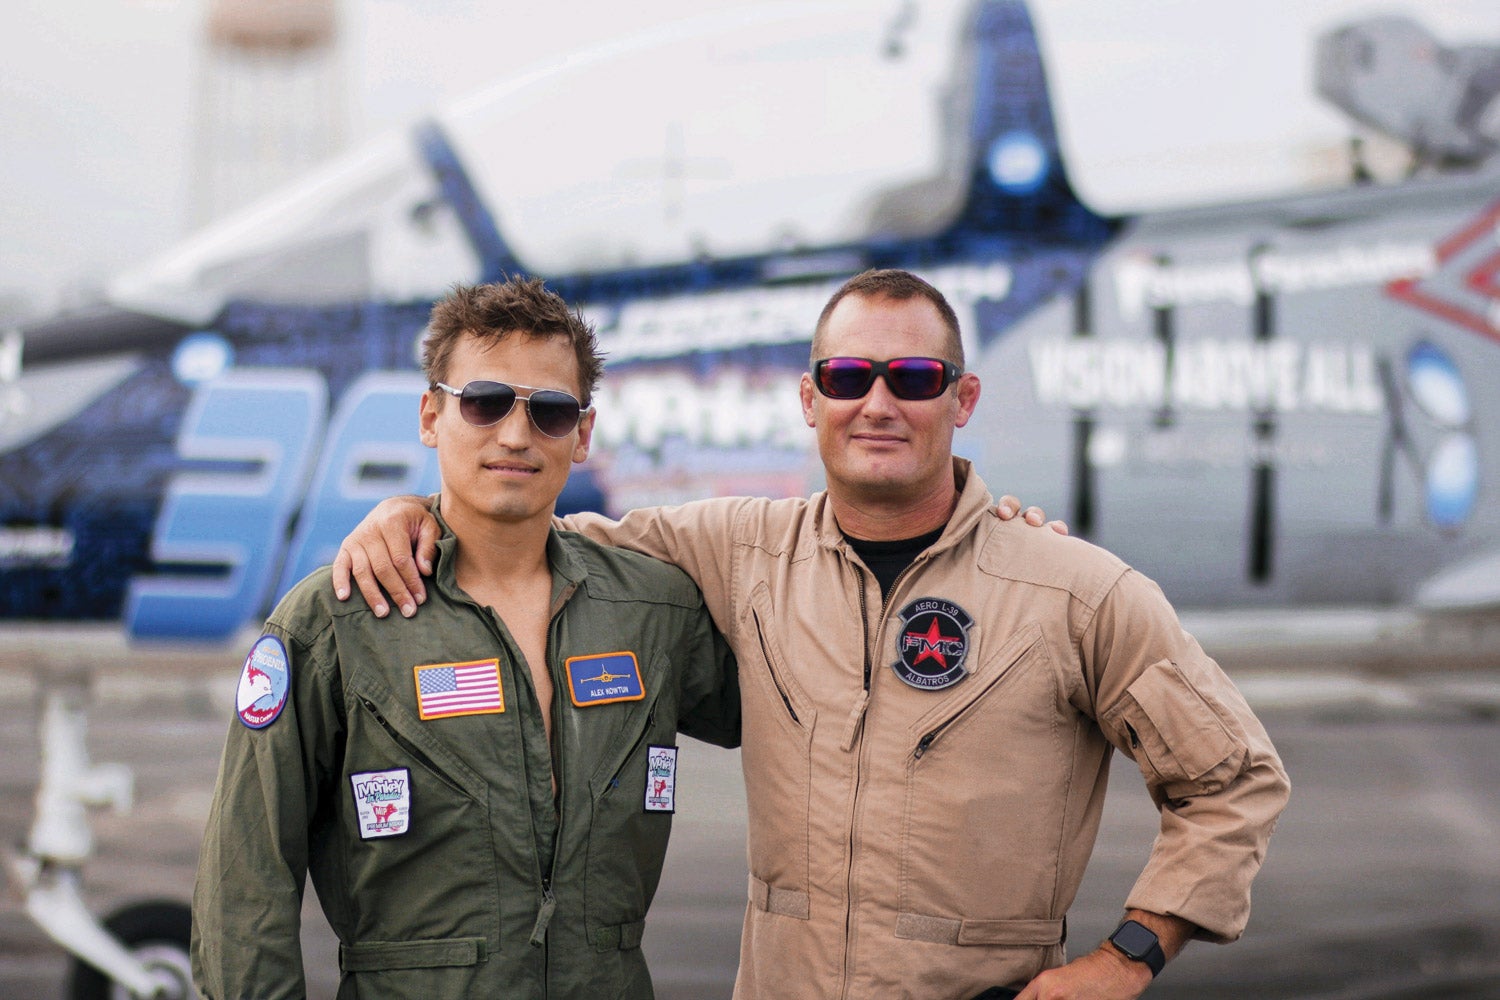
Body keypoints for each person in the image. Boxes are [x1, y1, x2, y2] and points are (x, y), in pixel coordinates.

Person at [335, 269, 1291, 999]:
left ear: (962, 402)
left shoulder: (1073, 590)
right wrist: (413, 513)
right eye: (848, 376)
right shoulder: (734, 548)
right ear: (809, 398)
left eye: (914, 377)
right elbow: (537, 531)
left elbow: (1233, 776)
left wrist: (1129, 958)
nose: (878, 403)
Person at [191, 277, 740, 1000]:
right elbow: (244, 887)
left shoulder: (653, 611)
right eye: (484, 403)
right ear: (430, 415)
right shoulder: (333, 623)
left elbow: (796, 716)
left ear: (583, 435)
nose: (515, 435)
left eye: (550, 412)